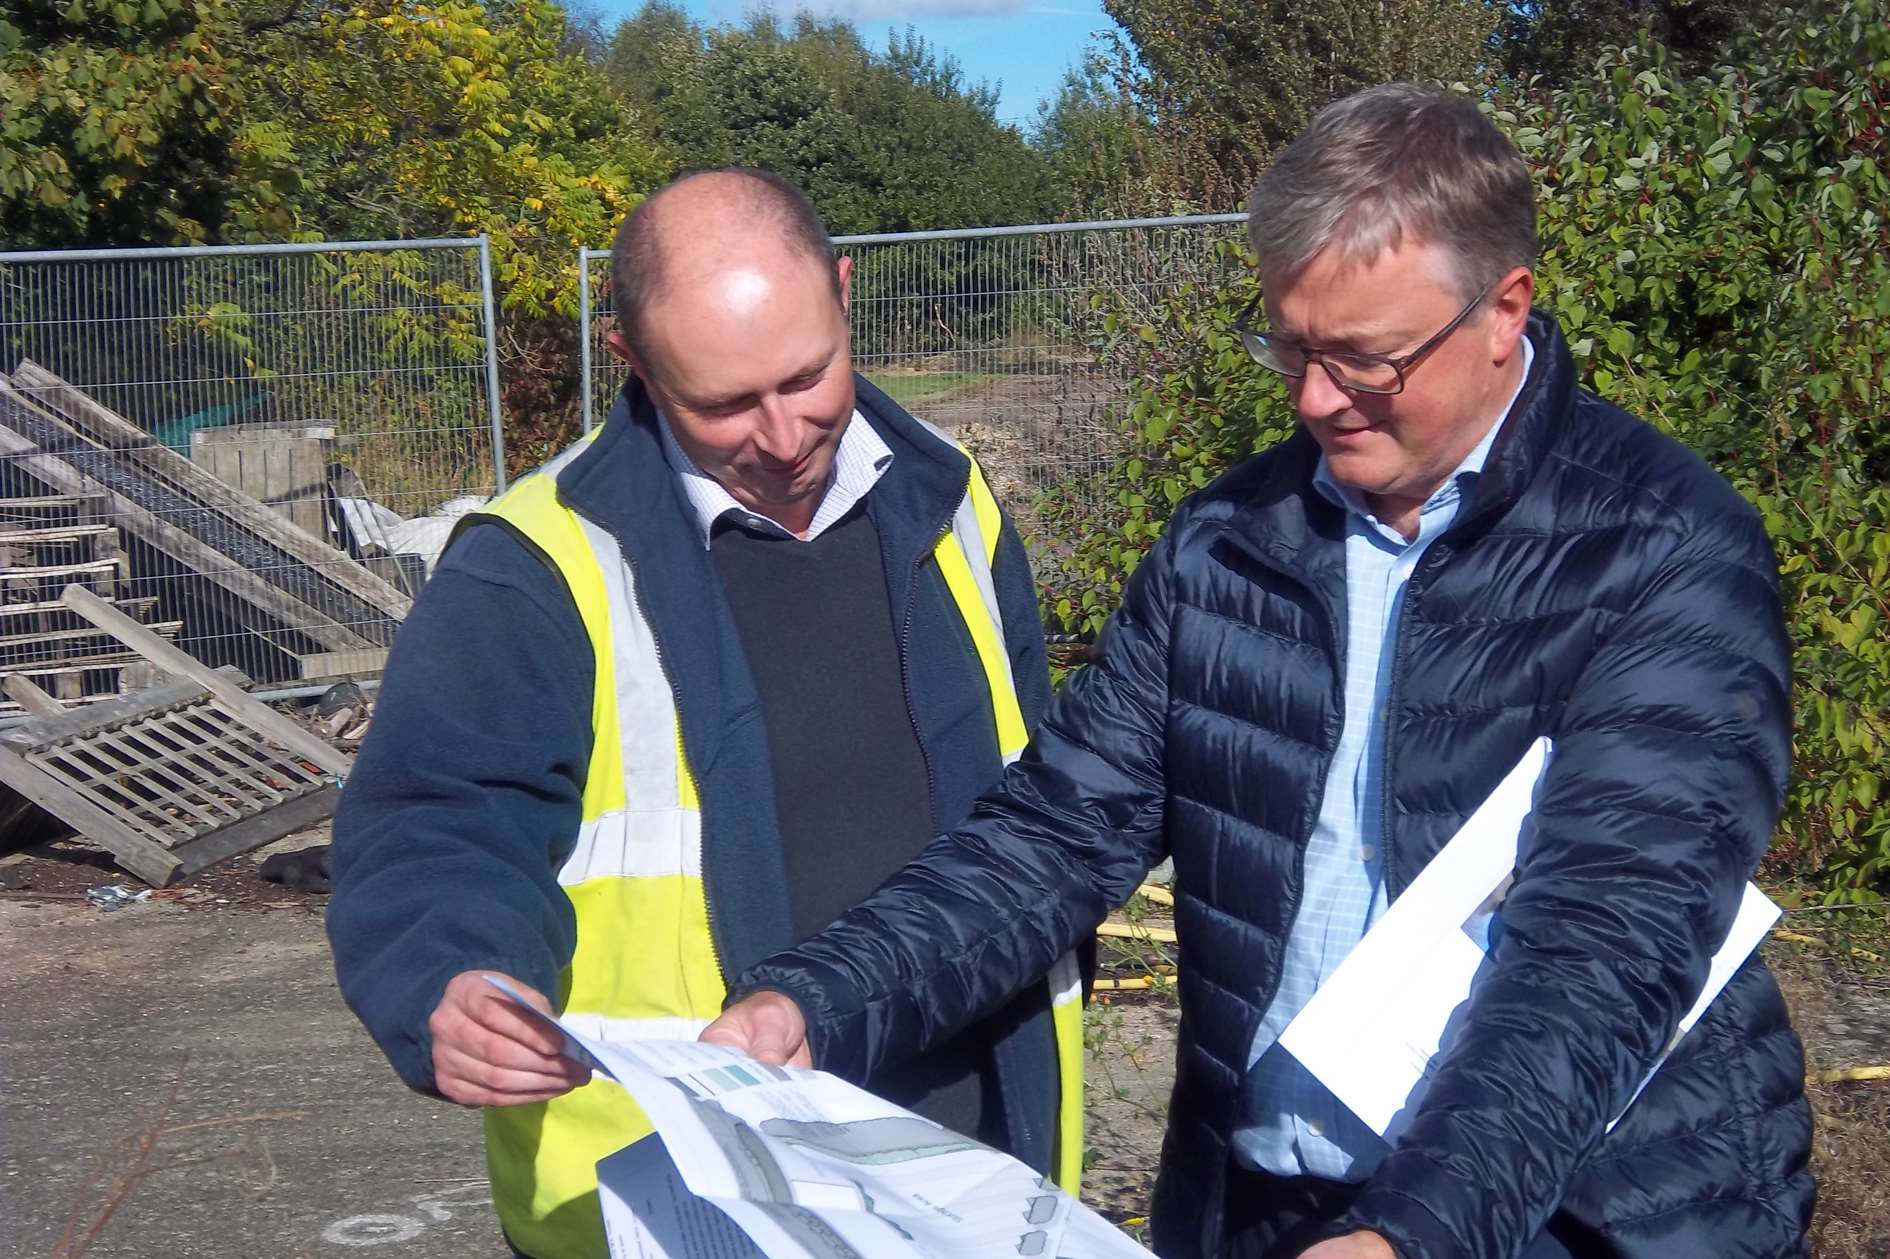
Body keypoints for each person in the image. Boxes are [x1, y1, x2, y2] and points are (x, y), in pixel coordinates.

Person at [707, 86, 1815, 1259]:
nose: (1312, 397)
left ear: (1505, 310)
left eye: (1365, 360)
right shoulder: (1227, 542)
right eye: (1289, 343)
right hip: (1270, 1202)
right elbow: (1056, 833)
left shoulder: (1664, 549)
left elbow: (1609, 945)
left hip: (1581, 1211)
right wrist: (815, 1001)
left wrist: (1413, 1232)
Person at [326, 168, 1086, 1259]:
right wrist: (453, 974)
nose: (784, 435)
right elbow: (436, 818)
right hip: (679, 1191)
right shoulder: (532, 566)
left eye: (808, 374)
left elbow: (1041, 805)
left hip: (969, 1155)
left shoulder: (952, 499)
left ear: (843, 289)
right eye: (725, 402)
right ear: (632, 361)